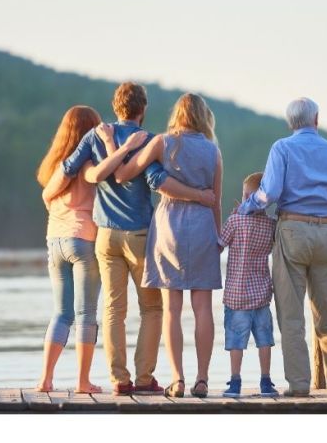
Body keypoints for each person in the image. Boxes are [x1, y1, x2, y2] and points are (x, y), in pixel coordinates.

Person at [59, 82, 214, 395]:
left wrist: (55, 192)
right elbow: (157, 180)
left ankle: (119, 380)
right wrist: (200, 196)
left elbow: (69, 167)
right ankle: (144, 379)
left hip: (105, 235)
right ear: (143, 110)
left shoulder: (95, 136)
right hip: (140, 234)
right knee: (153, 309)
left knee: (114, 309)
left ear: (116, 107)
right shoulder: (146, 139)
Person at [106, 93, 223, 398]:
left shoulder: (161, 143)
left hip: (169, 224)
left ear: (178, 115)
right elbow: (216, 201)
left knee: (171, 309)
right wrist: (218, 236)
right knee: (202, 308)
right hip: (202, 226)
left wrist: (118, 148)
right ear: (202, 116)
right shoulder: (213, 152)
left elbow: (124, 174)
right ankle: (202, 379)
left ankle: (178, 379)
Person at [237, 97, 327, 396]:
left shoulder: (282, 148)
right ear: (316, 119)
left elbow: (270, 192)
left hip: (292, 230)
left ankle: (300, 385)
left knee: (291, 315)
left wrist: (245, 207)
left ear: (291, 123)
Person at [34, 105, 135, 393]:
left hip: (55, 241)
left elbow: (46, 196)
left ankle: (45, 379)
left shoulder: (56, 164)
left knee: (60, 313)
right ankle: (82, 382)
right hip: (85, 240)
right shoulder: (90, 163)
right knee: (86, 314)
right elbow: (114, 176)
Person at [218, 171, 281, 398]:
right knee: (265, 340)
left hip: (236, 295)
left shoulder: (235, 221)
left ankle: (235, 383)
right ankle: (266, 381)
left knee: (236, 341)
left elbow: (219, 245)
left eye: (246, 196)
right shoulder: (271, 226)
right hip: (262, 293)